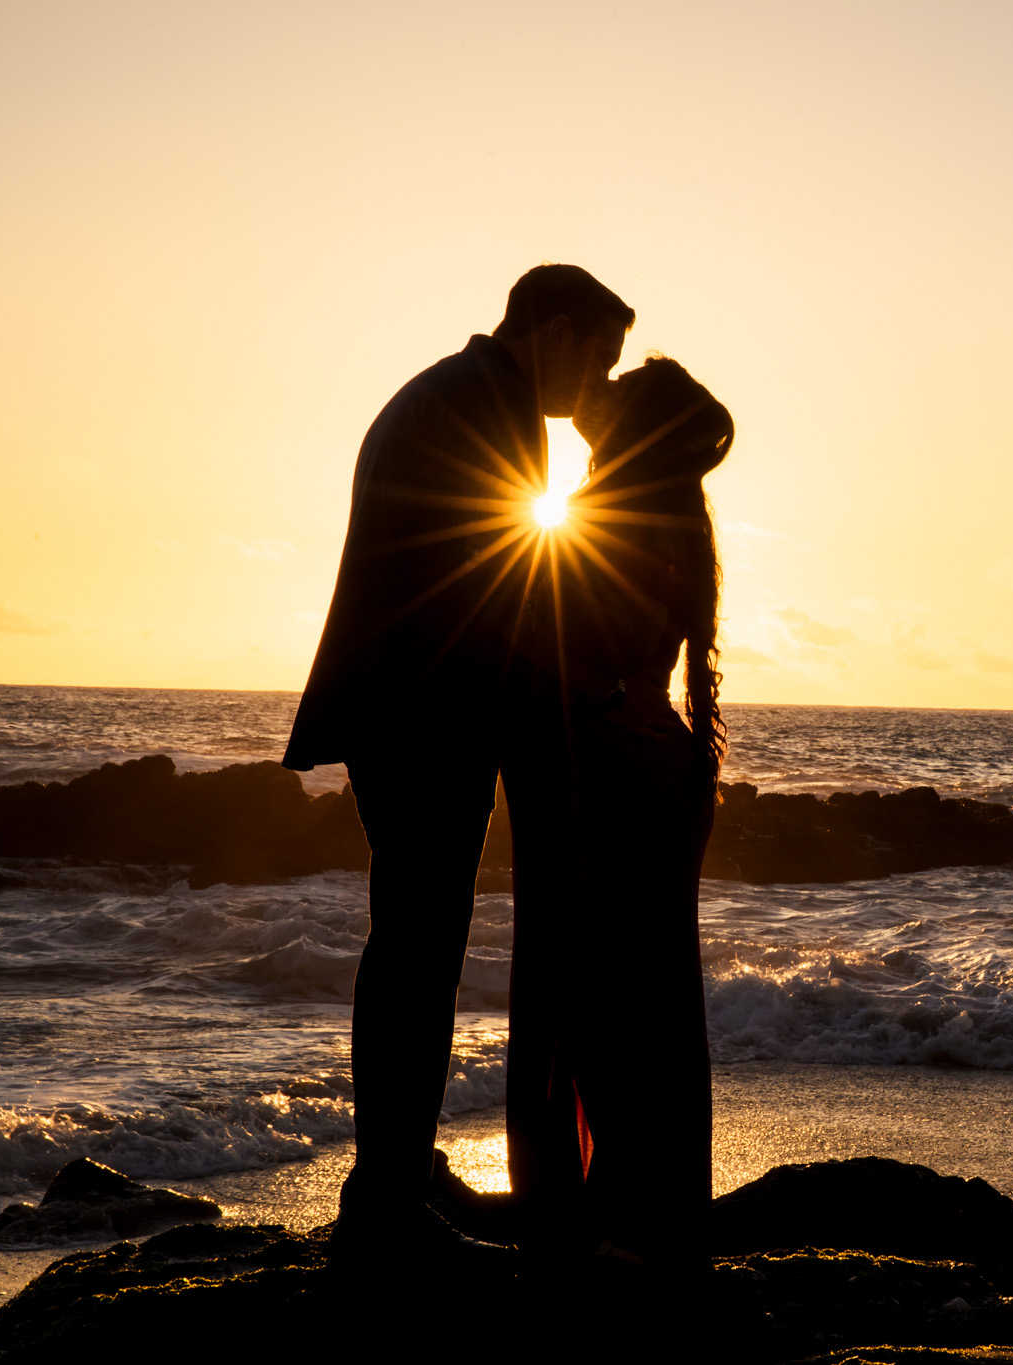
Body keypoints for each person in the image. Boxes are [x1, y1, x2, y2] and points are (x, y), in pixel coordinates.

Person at [280, 263, 632, 1248]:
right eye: (595, 357)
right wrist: (599, 687)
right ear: (554, 333)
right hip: (418, 713)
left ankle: (400, 1170)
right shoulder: (486, 409)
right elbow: (506, 578)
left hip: (410, 707)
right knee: (415, 952)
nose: (593, 384)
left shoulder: (465, 395)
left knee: (415, 945)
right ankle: (386, 1197)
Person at [504, 355, 732, 1284]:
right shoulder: (677, 514)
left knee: (591, 999)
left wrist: (598, 687)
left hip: (610, 776)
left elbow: (555, 645)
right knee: (651, 1001)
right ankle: (644, 1215)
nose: (606, 389)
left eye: (624, 389)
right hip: (660, 770)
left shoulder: (611, 517)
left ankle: (596, 1222)